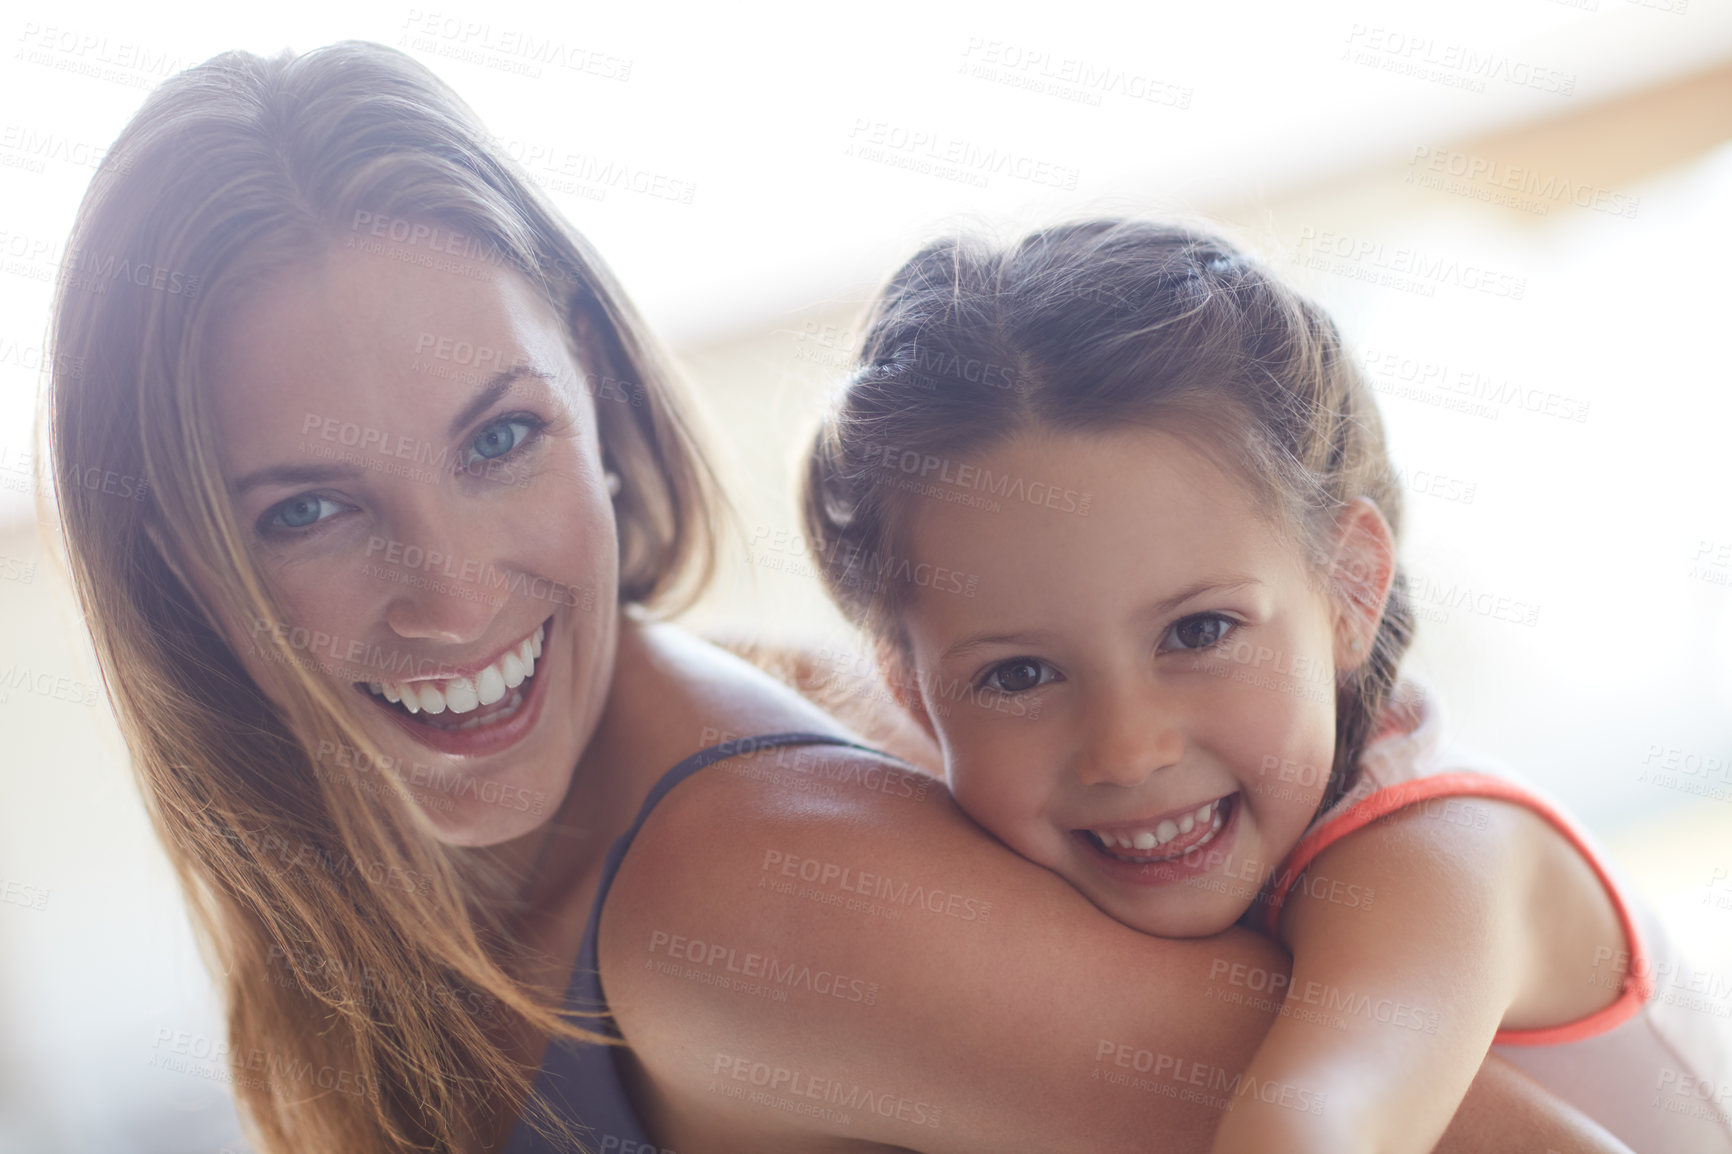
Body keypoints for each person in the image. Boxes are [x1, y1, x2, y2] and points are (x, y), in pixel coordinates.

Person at [43, 40, 1643, 1154]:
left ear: (599, 403)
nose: (453, 595)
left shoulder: (752, 896)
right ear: (172, 550)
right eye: (312, 508)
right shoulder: (626, 790)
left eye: (500, 435)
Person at [799, 218, 1732, 1153]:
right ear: (916, 696)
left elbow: (1318, 1125)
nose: (1128, 749)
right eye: (1019, 675)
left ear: (1349, 591)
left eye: (1198, 631)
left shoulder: (1442, 859)